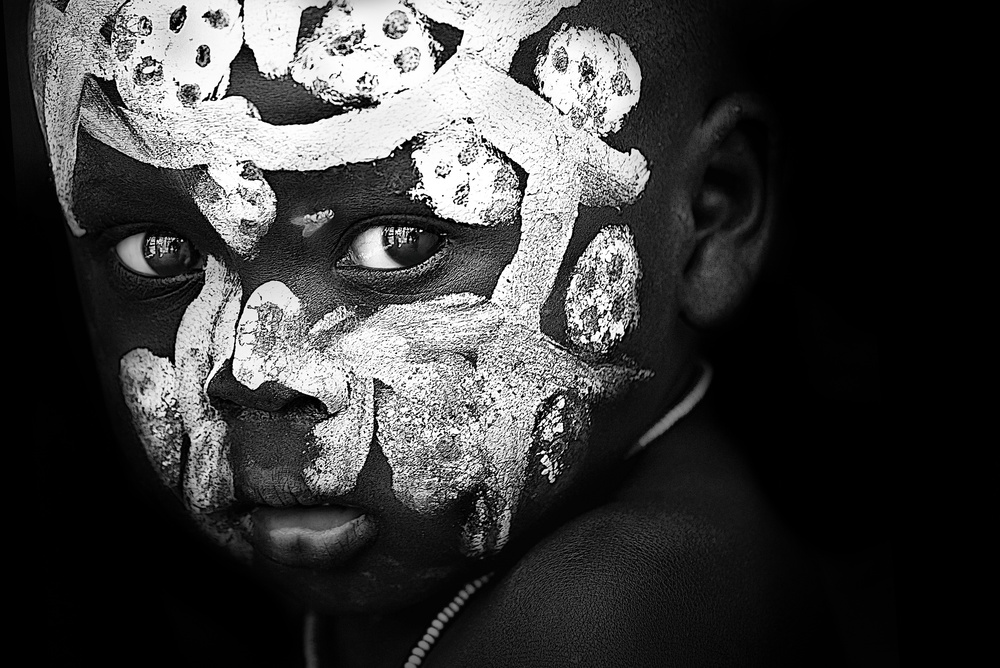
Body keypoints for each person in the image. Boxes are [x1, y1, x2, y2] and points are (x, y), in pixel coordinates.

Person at [12, 0, 894, 666]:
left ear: (704, 219)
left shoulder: (609, 619)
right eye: (158, 249)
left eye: (401, 242)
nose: (257, 368)